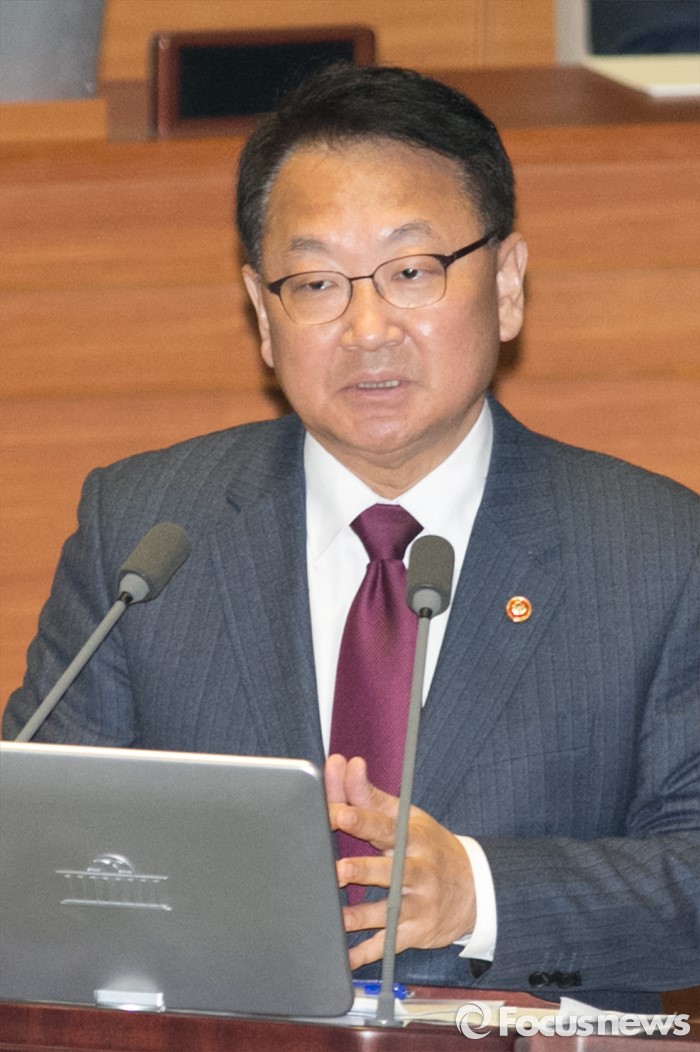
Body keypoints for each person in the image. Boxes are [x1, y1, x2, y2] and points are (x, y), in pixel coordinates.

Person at [3, 64, 698, 1013]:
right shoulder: (148, 533)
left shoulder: (657, 553)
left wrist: (479, 894)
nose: (368, 329)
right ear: (263, 313)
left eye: (411, 272)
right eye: (317, 283)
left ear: (506, 285)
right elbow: (39, 846)